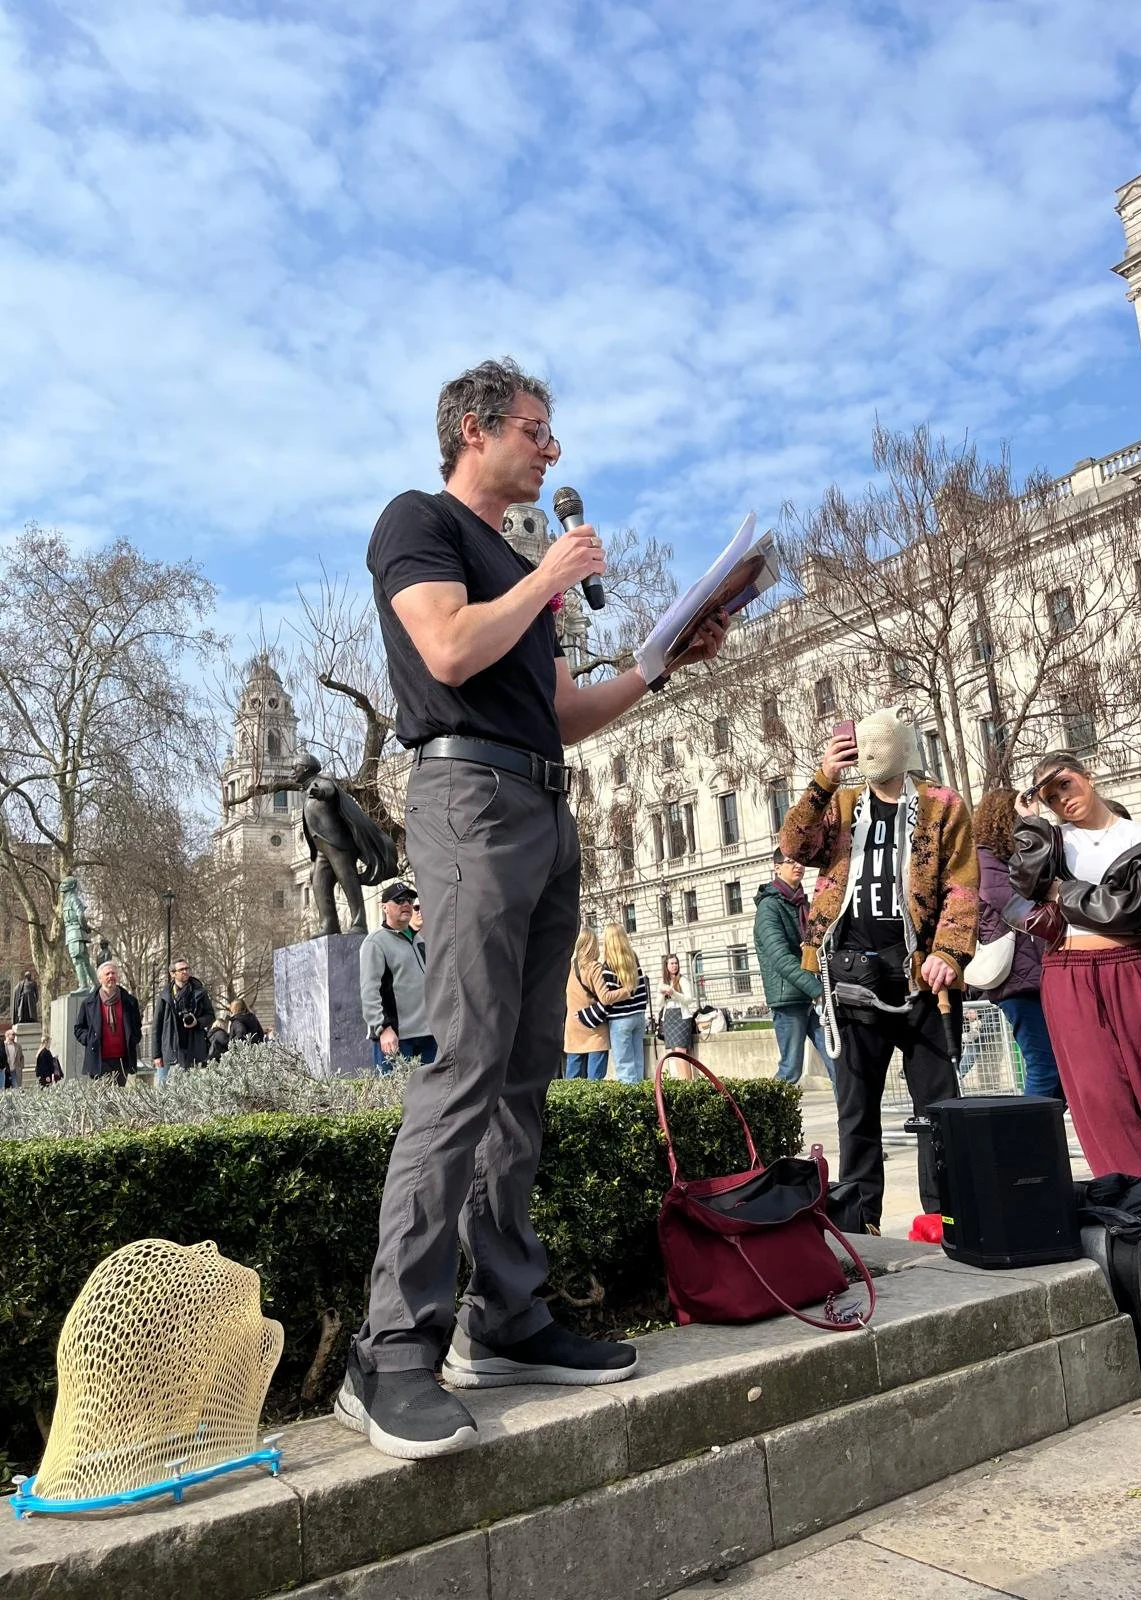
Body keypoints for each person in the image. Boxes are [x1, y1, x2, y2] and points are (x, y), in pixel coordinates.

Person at [341, 356, 728, 1460]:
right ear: (473, 428)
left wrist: (660, 665)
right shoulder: (416, 523)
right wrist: (547, 573)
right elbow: (449, 646)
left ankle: (503, 1313)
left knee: (524, 1076)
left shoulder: (522, 572)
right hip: (465, 800)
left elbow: (561, 709)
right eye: (535, 430)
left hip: (543, 806)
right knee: (463, 1065)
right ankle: (392, 1351)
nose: (553, 451)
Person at [780, 707, 979, 1231]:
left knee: (938, 1108)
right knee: (856, 1110)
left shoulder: (941, 806)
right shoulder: (844, 804)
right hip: (850, 976)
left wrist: (949, 952)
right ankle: (860, 1222)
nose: (867, 755)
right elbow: (796, 847)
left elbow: (961, 883)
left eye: (878, 746)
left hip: (920, 977)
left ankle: (947, 1217)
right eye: (860, 746)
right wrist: (824, 778)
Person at [1010, 753, 1141, 1181]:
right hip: (1068, 972)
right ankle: (1138, 1197)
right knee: (1097, 1095)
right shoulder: (1050, 841)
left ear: (1088, 775)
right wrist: (1031, 824)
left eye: (1065, 784)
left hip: (1134, 967)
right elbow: (1026, 883)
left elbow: (1140, 910)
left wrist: (1062, 892)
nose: (1062, 799)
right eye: (1050, 797)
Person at [971, 788, 1063, 1100]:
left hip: (1036, 975)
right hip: (1018, 980)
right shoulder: (985, 861)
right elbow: (1015, 904)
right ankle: (1025, 1141)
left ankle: (1042, 1141)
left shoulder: (1006, 860)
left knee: (1058, 1071)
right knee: (1044, 1067)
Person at [753, 847, 834, 1087]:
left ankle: (850, 1124)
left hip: (813, 996)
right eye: (791, 862)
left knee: (837, 1063)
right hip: (789, 999)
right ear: (777, 868)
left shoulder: (802, 903)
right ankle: (761, 1121)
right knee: (790, 1070)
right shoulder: (769, 908)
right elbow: (780, 958)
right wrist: (817, 990)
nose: (798, 865)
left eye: (800, 861)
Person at [359, 882, 436, 1071]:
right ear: (384, 906)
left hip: (428, 1035)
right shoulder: (375, 942)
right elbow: (370, 991)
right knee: (396, 1098)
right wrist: (382, 1028)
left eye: (409, 900)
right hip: (396, 1038)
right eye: (399, 900)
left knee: (428, 1099)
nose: (406, 904)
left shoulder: (419, 940)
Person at [576, 924, 650, 1083]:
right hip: (638, 1015)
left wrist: (625, 992)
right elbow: (642, 987)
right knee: (638, 1063)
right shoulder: (633, 959)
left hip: (620, 1019)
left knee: (624, 1067)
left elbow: (606, 998)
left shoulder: (608, 966)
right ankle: (641, 1097)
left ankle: (631, 1103)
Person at [74, 960, 143, 1085]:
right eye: (107, 974)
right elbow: (79, 1028)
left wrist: (134, 1039)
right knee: (102, 1100)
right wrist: (90, 1040)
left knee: (119, 1099)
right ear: (100, 979)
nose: (111, 976)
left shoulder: (130, 1001)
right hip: (99, 1060)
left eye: (113, 973)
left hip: (122, 1060)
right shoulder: (89, 1003)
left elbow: (137, 1026)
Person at [151, 958, 215, 1088]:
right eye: (181, 970)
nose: (185, 972)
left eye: (187, 969)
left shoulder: (199, 992)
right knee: (165, 1091)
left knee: (192, 1090)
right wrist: (156, 1055)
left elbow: (210, 1016)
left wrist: (197, 1022)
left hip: (193, 1048)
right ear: (173, 974)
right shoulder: (164, 996)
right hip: (170, 1049)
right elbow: (156, 1027)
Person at [563, 928, 614, 1079]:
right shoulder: (594, 968)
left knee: (572, 1079)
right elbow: (605, 997)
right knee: (595, 1081)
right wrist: (625, 991)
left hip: (573, 1025)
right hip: (595, 1028)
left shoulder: (569, 968)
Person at [657, 952, 699, 1078]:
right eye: (672, 963)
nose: (674, 966)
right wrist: (664, 994)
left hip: (682, 1018)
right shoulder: (662, 982)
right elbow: (658, 1003)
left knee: (682, 1051)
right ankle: (682, 1080)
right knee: (675, 1053)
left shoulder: (683, 979)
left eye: (676, 963)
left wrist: (673, 993)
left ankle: (688, 1082)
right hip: (669, 1018)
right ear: (666, 966)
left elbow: (689, 999)